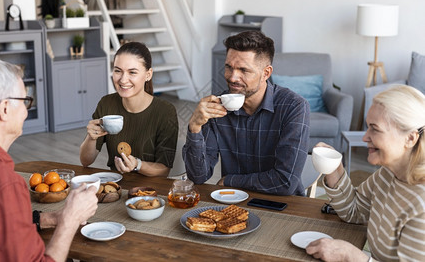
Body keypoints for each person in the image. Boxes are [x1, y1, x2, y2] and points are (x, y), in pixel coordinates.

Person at [0, 57, 98, 262]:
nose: (26, 110)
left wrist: (50, 218)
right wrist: (70, 219)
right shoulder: (1, 183)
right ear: (5, 108)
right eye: (25, 101)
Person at [306, 85, 425, 261]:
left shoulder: (421, 205)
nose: (364, 137)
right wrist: (334, 168)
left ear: (410, 138)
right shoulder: (387, 174)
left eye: (375, 129)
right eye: (368, 126)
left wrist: (351, 256)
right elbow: (354, 210)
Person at [183, 31, 310, 195]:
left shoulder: (294, 107)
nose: (233, 77)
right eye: (229, 67)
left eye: (244, 70)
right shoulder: (217, 107)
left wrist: (230, 180)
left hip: (283, 206)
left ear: (266, 73)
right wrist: (195, 127)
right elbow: (198, 176)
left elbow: (285, 182)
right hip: (232, 202)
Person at [79, 42, 178, 177]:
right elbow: (86, 161)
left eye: (132, 72)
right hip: (116, 187)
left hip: (149, 191)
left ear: (148, 75)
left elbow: (164, 170)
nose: (123, 79)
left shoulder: (165, 111)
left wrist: (138, 165)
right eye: (118, 71)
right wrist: (91, 138)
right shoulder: (106, 103)